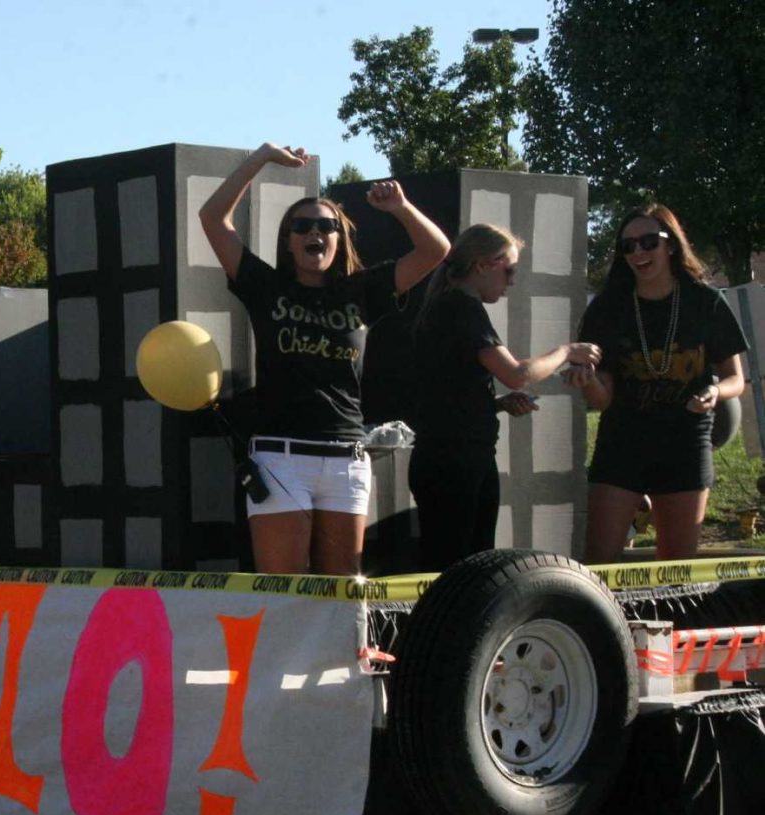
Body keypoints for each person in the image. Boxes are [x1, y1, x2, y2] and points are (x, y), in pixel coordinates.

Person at [198, 142, 450, 574]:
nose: (314, 232)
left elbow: (436, 251)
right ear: (289, 241)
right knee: (285, 595)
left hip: (345, 459)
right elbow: (212, 219)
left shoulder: (363, 290)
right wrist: (260, 158)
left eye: (326, 225)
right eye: (302, 225)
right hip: (280, 458)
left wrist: (401, 208)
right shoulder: (266, 286)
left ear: (340, 237)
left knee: (341, 597)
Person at [408, 224, 602, 571]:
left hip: (458, 457)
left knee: (468, 568)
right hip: (454, 463)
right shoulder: (461, 307)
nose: (511, 282)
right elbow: (517, 375)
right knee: (460, 574)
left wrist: (494, 405)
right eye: (508, 270)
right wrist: (567, 350)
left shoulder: (449, 306)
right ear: (483, 265)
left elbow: (448, 391)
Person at [568, 205, 748, 564]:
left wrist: (715, 392)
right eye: (628, 246)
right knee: (599, 562)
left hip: (685, 442)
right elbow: (603, 398)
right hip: (623, 440)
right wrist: (586, 382)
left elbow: (735, 379)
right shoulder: (608, 308)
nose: (638, 253)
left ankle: (670, 623)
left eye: (649, 242)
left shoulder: (705, 302)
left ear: (671, 246)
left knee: (677, 567)